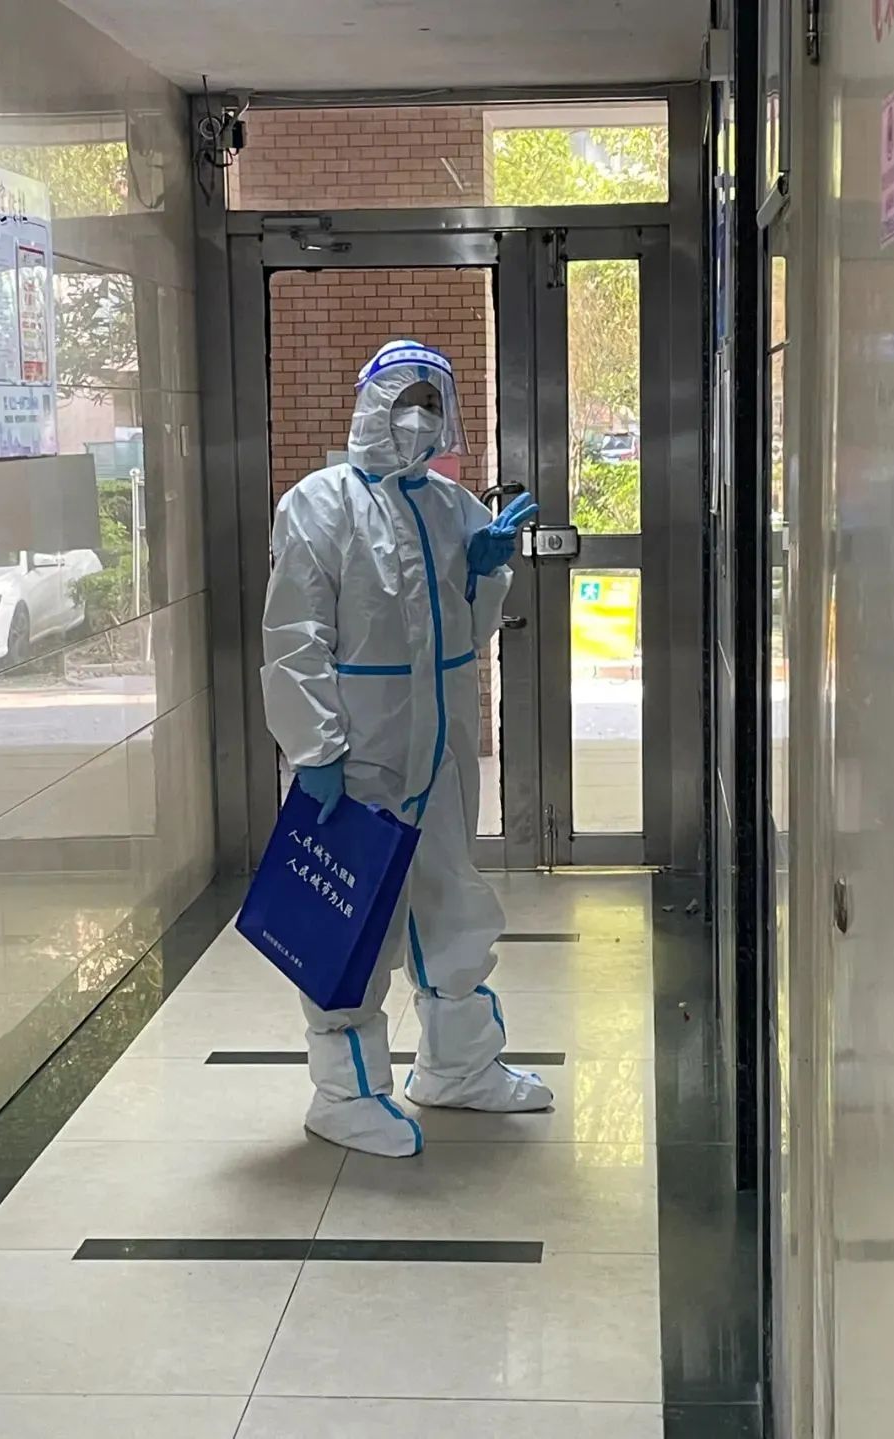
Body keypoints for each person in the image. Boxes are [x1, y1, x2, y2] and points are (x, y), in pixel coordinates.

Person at [261, 339, 553, 1158]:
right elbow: (293, 636)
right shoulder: (318, 505)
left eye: (431, 404)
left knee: (451, 900)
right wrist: (314, 747)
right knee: (355, 918)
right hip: (361, 748)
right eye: (404, 402)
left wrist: (483, 571)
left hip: (441, 744)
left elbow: (467, 626)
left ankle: (459, 1066)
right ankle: (343, 1093)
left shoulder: (452, 507)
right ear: (370, 406)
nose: (418, 419)